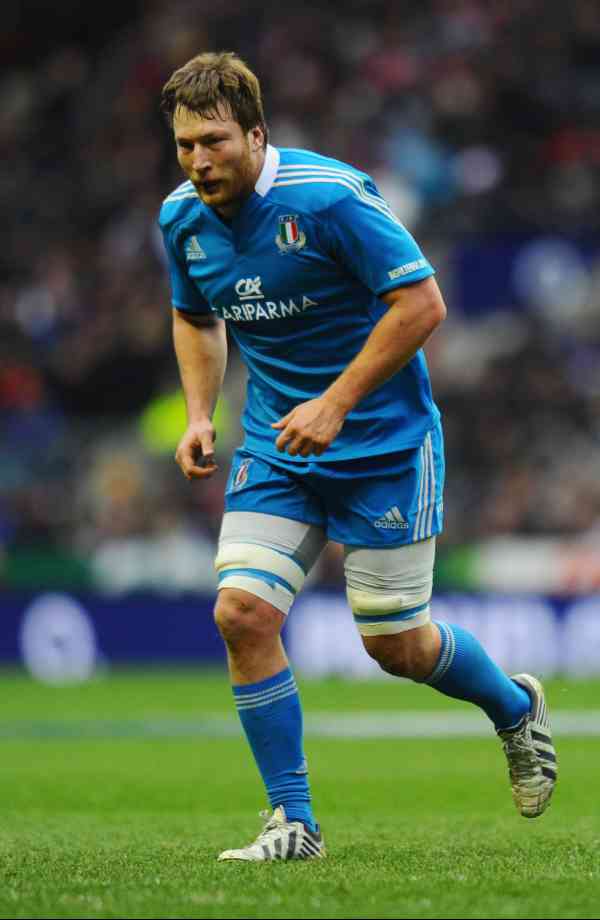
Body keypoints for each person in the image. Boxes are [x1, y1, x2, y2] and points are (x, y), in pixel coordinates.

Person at [158, 51, 557, 861]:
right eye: (185, 145)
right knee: (241, 613)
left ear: (257, 134)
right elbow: (196, 316)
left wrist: (336, 403)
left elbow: (423, 303)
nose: (199, 161)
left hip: (384, 444)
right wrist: (200, 413)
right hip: (279, 446)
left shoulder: (330, 198)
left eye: (214, 142)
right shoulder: (181, 219)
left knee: (395, 645)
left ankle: (514, 708)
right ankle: (293, 821)